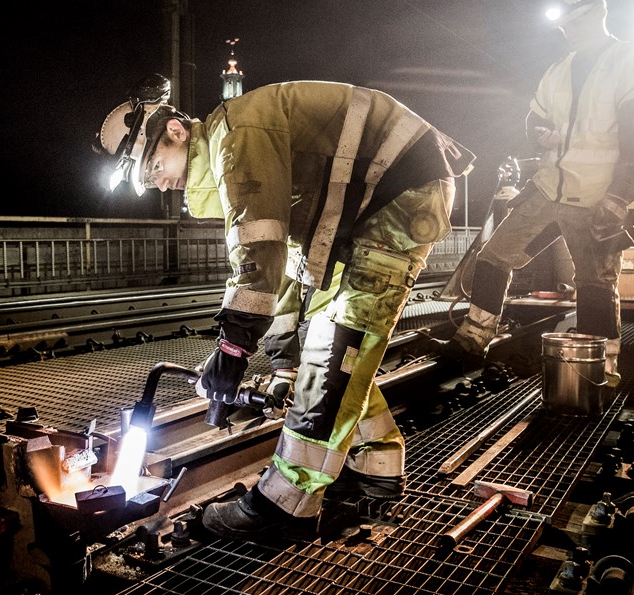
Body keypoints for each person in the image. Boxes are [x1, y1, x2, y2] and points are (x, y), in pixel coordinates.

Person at [97, 75, 474, 539]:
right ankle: (375, 462)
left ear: (175, 131)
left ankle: (286, 504)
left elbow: (259, 251)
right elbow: (290, 266)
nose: (158, 184)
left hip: (398, 193)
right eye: (147, 180)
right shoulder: (234, 149)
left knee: (337, 344)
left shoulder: (237, 133)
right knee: (327, 341)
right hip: (373, 203)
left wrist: (233, 350)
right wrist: (281, 363)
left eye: (153, 166)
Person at [432, 0, 634, 386]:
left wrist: (620, 196)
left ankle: (600, 368)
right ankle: (474, 338)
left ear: (597, 14)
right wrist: (538, 130)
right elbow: (534, 117)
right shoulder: (559, 71)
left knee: (594, 282)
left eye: (573, 22)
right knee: (493, 257)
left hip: (596, 195)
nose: (567, 31)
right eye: (564, 25)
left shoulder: (631, 61)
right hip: (547, 188)